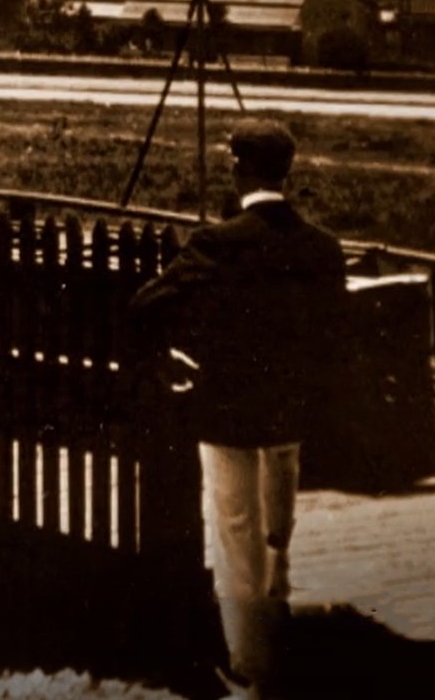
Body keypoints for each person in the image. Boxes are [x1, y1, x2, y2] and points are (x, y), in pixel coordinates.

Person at [129, 119, 347, 698]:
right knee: (278, 526)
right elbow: (334, 333)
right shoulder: (322, 248)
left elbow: (146, 306)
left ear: (236, 168)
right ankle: (276, 635)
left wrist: (172, 357)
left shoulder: (216, 244)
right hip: (290, 411)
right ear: (288, 170)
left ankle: (250, 662)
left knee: (234, 530)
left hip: (227, 411)